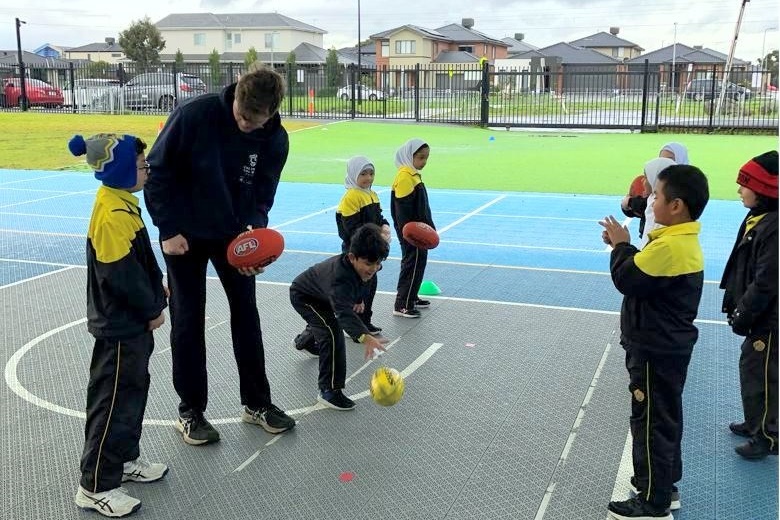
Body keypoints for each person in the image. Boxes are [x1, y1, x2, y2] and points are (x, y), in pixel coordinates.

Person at [144, 66, 295, 446]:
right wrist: (167, 228)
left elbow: (264, 193)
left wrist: (253, 232)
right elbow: (158, 171)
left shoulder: (275, 140)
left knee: (247, 313)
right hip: (185, 234)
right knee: (188, 318)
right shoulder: (194, 115)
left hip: (234, 237)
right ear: (237, 97)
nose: (245, 124)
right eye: (242, 116)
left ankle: (257, 403)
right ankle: (191, 411)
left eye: (254, 120)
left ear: (272, 112)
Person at [600, 164, 710, 520]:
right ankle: (663, 483)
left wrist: (620, 247)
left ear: (676, 206)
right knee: (664, 416)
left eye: (656, 196)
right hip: (667, 346)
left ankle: (652, 499)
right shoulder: (677, 241)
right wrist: (626, 248)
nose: (651, 201)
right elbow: (643, 270)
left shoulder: (671, 247)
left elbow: (629, 278)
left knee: (649, 420)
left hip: (654, 347)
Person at [69, 133, 168, 517]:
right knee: (112, 404)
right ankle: (95, 485)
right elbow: (119, 276)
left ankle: (124, 459)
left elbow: (138, 261)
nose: (147, 170)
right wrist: (151, 309)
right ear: (124, 169)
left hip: (132, 326)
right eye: (142, 165)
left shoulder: (123, 204)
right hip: (120, 327)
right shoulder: (111, 215)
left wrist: (156, 289)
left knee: (132, 395)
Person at [289, 224, 390, 410]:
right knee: (332, 332)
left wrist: (359, 299)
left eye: (378, 264)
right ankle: (329, 391)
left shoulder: (368, 267)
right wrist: (364, 336)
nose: (374, 268)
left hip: (324, 295)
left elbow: (365, 281)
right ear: (352, 257)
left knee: (325, 322)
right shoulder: (340, 279)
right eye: (368, 263)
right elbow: (343, 312)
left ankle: (304, 341)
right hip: (305, 297)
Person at [720, 150, 778, 460]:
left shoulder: (774, 226)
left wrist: (744, 311)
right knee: (753, 369)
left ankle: (766, 436)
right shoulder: (759, 218)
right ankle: (757, 422)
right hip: (760, 316)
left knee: (763, 375)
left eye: (745, 185)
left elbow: (767, 280)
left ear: (763, 189)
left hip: (768, 319)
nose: (740, 190)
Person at [391, 138, 435, 318]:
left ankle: (412, 296)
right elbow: (403, 210)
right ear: (410, 156)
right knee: (412, 263)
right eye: (420, 158)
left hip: (420, 230)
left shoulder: (413, 175)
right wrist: (412, 233)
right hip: (411, 233)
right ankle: (402, 304)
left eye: (426, 158)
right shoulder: (404, 177)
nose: (423, 162)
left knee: (419, 262)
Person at [621, 143, 689, 244]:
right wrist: (627, 207)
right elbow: (642, 208)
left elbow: (645, 205)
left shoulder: (684, 188)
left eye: (670, 159)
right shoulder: (652, 182)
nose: (665, 163)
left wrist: (620, 245)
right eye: (661, 158)